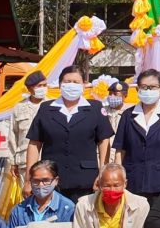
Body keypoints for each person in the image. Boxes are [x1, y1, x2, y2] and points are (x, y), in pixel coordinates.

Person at [25, 66, 113, 202]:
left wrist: (103, 173)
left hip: (86, 180)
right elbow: (34, 143)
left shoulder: (95, 108)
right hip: (49, 180)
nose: (71, 85)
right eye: (67, 82)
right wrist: (29, 178)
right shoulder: (46, 108)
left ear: (84, 85)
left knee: (83, 221)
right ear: (60, 85)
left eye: (76, 82)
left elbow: (104, 141)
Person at [113, 69, 160, 203]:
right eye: (144, 87)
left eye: (153, 87)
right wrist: (118, 175)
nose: (148, 90)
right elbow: (120, 149)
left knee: (157, 220)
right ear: (138, 89)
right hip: (133, 179)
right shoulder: (128, 115)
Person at [10, 71, 48, 188]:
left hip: (47, 159)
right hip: (24, 161)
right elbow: (12, 135)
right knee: (28, 194)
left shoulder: (52, 105)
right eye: (39, 86)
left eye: (44, 85)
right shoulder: (19, 107)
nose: (42, 88)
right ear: (30, 89)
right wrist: (12, 162)